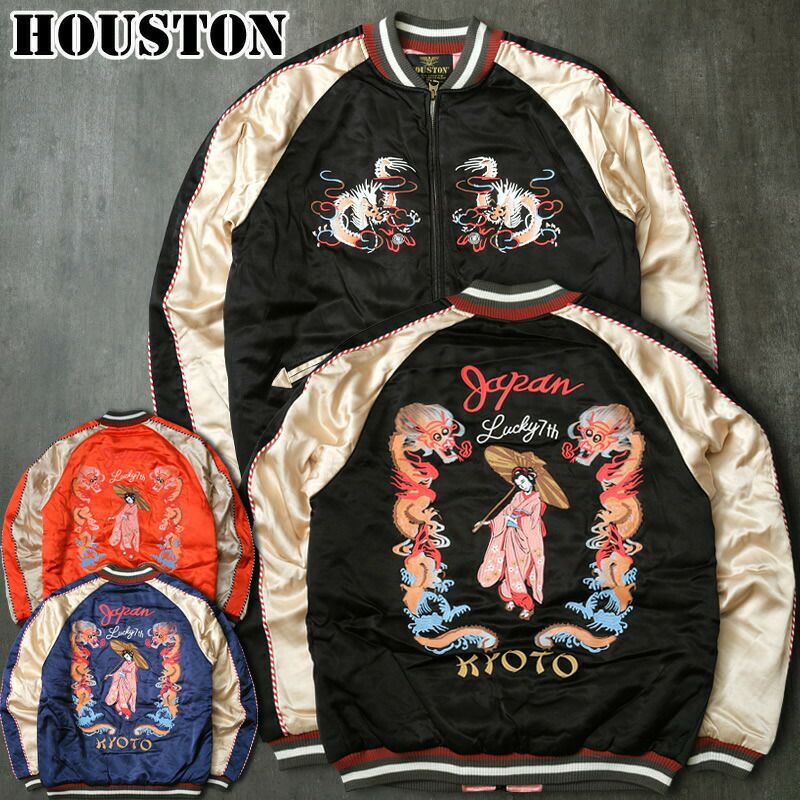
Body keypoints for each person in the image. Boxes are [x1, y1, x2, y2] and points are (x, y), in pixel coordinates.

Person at [475, 466, 547, 620]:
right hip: (510, 537)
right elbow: (505, 512)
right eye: (519, 484)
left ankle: (527, 605)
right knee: (509, 568)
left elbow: (533, 524)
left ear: (530, 479)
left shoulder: (536, 501)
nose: (522, 485)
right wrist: (488, 522)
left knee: (518, 571)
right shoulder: (517, 496)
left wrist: (516, 521)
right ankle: (510, 597)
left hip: (524, 541)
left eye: (523, 481)